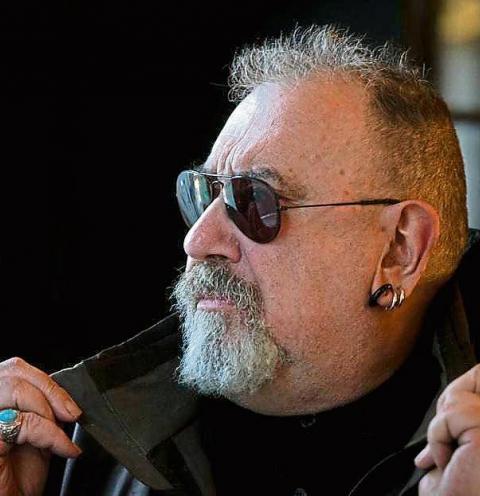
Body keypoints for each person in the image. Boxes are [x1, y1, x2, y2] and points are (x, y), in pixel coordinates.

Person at [0, 25, 479, 496]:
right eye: (202, 194)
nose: (198, 241)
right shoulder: (74, 449)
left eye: (254, 201)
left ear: (399, 248)